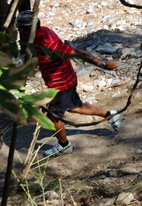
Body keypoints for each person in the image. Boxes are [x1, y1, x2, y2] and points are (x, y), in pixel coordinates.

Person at [16, 10, 121, 157]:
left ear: (28, 29)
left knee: (52, 117)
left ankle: (64, 145)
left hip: (60, 85)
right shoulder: (39, 34)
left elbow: (76, 52)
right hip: (65, 79)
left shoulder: (49, 43)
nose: (18, 31)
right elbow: (37, 55)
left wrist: (102, 63)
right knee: (75, 107)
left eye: (19, 28)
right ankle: (110, 114)